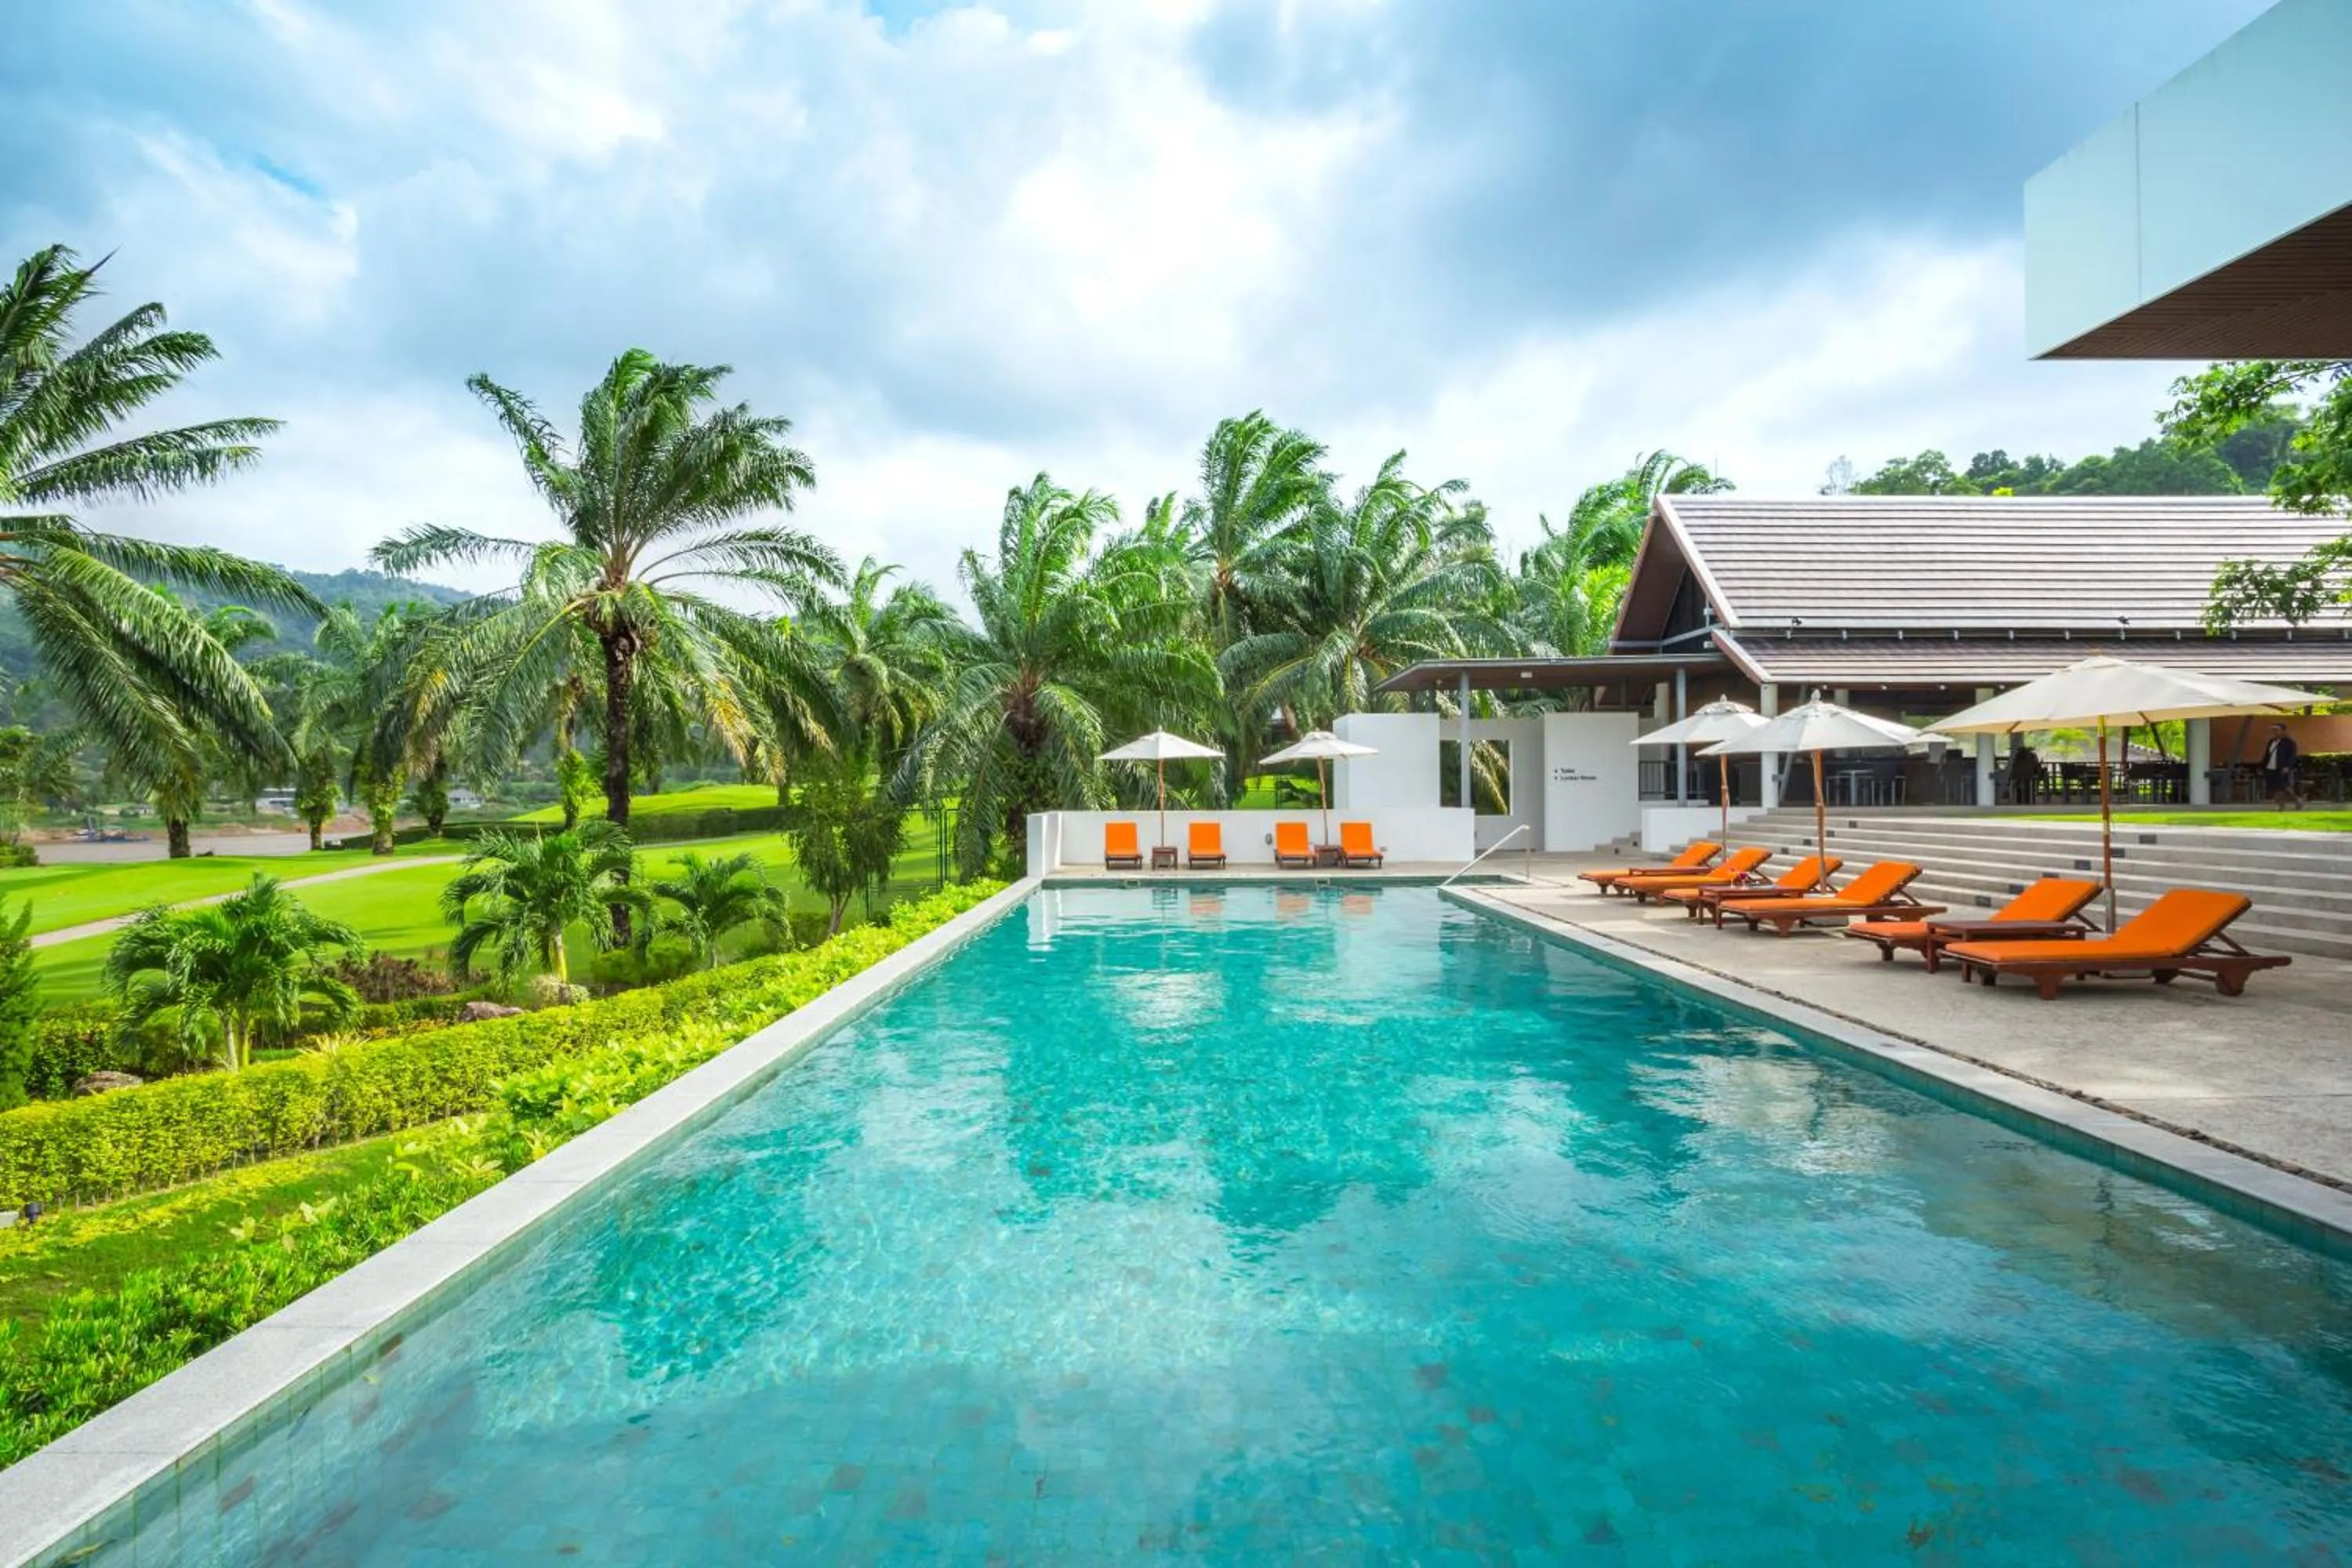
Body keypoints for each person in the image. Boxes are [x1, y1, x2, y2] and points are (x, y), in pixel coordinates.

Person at [2262, 724, 2304, 811]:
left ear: (2283, 731)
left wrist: (2288, 766)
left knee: (2283, 787)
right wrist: (2263, 766)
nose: (2275, 732)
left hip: (2281, 767)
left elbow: (2292, 756)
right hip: (2271, 767)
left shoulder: (2289, 743)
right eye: (2274, 730)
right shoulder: (2272, 742)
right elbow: (2267, 755)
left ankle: (2283, 805)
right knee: (2274, 788)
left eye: (2277, 730)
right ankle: (2288, 802)